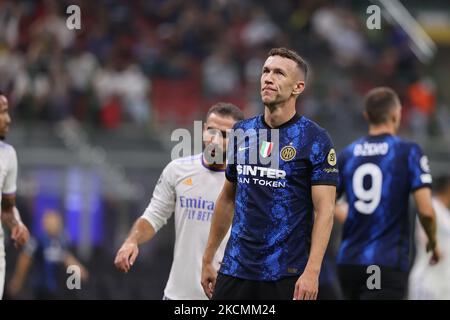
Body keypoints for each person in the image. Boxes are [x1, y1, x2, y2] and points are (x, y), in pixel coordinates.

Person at [201, 48, 338, 300]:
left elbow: (325, 210)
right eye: (265, 71)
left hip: (285, 273)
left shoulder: (315, 139)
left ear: (298, 87)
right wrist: (208, 258)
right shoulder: (242, 131)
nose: (268, 77)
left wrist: (312, 271)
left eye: (278, 73)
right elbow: (227, 198)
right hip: (235, 269)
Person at [114, 103, 244, 300]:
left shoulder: (247, 182)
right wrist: (132, 241)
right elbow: (154, 215)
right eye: (211, 131)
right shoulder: (178, 170)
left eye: (225, 135)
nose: (215, 140)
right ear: (203, 131)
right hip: (178, 295)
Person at [335, 87, 440, 300]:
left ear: (366, 116)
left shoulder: (347, 154)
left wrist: (349, 214)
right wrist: (433, 242)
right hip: (383, 263)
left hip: (348, 263)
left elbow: (324, 203)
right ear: (396, 115)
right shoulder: (407, 151)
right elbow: (426, 211)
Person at [7, 209, 88, 299]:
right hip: (40, 288)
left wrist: (79, 270)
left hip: (57, 288)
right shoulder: (38, 240)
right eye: (50, 222)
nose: (54, 225)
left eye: (56, 222)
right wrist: (18, 280)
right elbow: (25, 258)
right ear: (44, 224)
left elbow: (67, 258)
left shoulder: (62, 241)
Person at [0, 91, 30, 299]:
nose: (8, 119)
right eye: (2, 112)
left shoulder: (8, 155)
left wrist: (17, 225)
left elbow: (7, 208)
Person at [409, 175, 450, 299]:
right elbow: (424, 232)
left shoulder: (445, 213)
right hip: (427, 280)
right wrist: (434, 247)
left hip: (443, 281)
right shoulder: (431, 207)